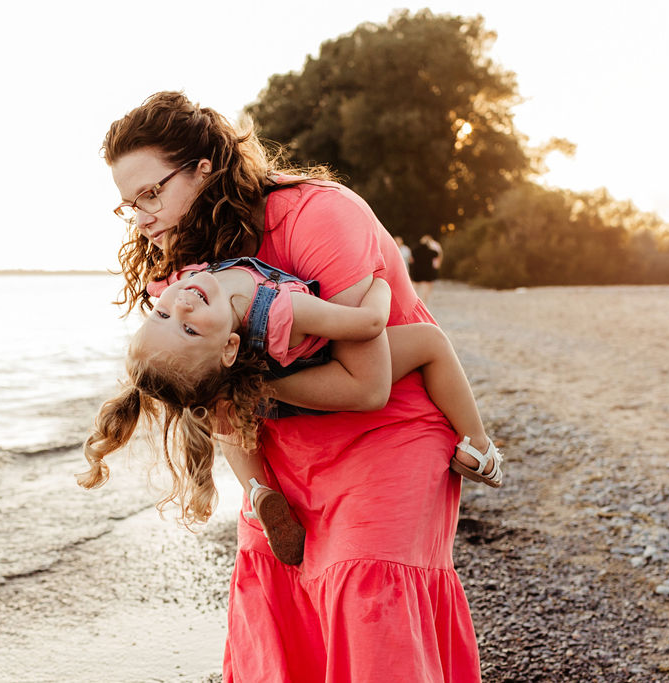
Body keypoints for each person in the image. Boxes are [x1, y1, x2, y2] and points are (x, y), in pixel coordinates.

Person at [95, 91, 481, 681]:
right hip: (281, 442)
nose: (143, 218)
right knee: (280, 599)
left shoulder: (317, 216)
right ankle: (259, 495)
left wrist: (246, 390)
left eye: (153, 194)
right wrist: (225, 395)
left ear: (205, 170)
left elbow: (369, 382)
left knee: (367, 593)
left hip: (387, 425)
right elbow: (193, 370)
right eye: (129, 205)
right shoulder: (178, 265)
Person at [77, 257, 502, 566]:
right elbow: (367, 325)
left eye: (162, 313)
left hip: (254, 398)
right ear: (229, 347)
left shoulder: (188, 291)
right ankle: (477, 448)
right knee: (431, 342)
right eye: (187, 328)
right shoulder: (278, 311)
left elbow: (171, 306)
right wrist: (379, 280)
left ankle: (258, 489)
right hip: (315, 379)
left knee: (215, 403)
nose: (182, 305)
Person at [412, 234, 444, 301]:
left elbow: (411, 259)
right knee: (426, 288)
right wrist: (430, 246)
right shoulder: (430, 251)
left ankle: (413, 300)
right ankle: (423, 302)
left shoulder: (415, 250)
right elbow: (437, 254)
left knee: (415, 287)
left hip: (417, 271)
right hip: (427, 272)